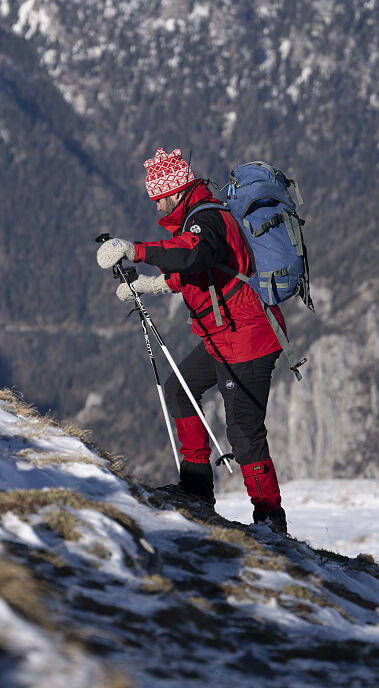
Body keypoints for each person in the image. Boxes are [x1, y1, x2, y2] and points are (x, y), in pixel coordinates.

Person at [97, 147, 288, 534]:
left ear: (176, 191)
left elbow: (193, 256)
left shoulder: (206, 220)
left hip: (247, 339)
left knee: (244, 433)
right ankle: (197, 489)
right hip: (224, 335)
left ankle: (270, 520)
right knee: (179, 391)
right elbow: (202, 271)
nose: (157, 207)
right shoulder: (197, 219)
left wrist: (137, 250)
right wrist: (150, 285)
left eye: (159, 198)